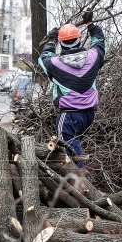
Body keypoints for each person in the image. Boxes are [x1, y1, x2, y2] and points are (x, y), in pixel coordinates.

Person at [38, 11, 105, 168]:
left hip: (69, 115)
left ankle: (79, 183)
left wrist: (51, 40)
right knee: (73, 146)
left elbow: (44, 57)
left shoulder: (55, 64)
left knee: (69, 150)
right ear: (79, 39)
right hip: (88, 114)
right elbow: (100, 42)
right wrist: (90, 24)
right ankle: (75, 181)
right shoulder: (93, 56)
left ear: (61, 43)